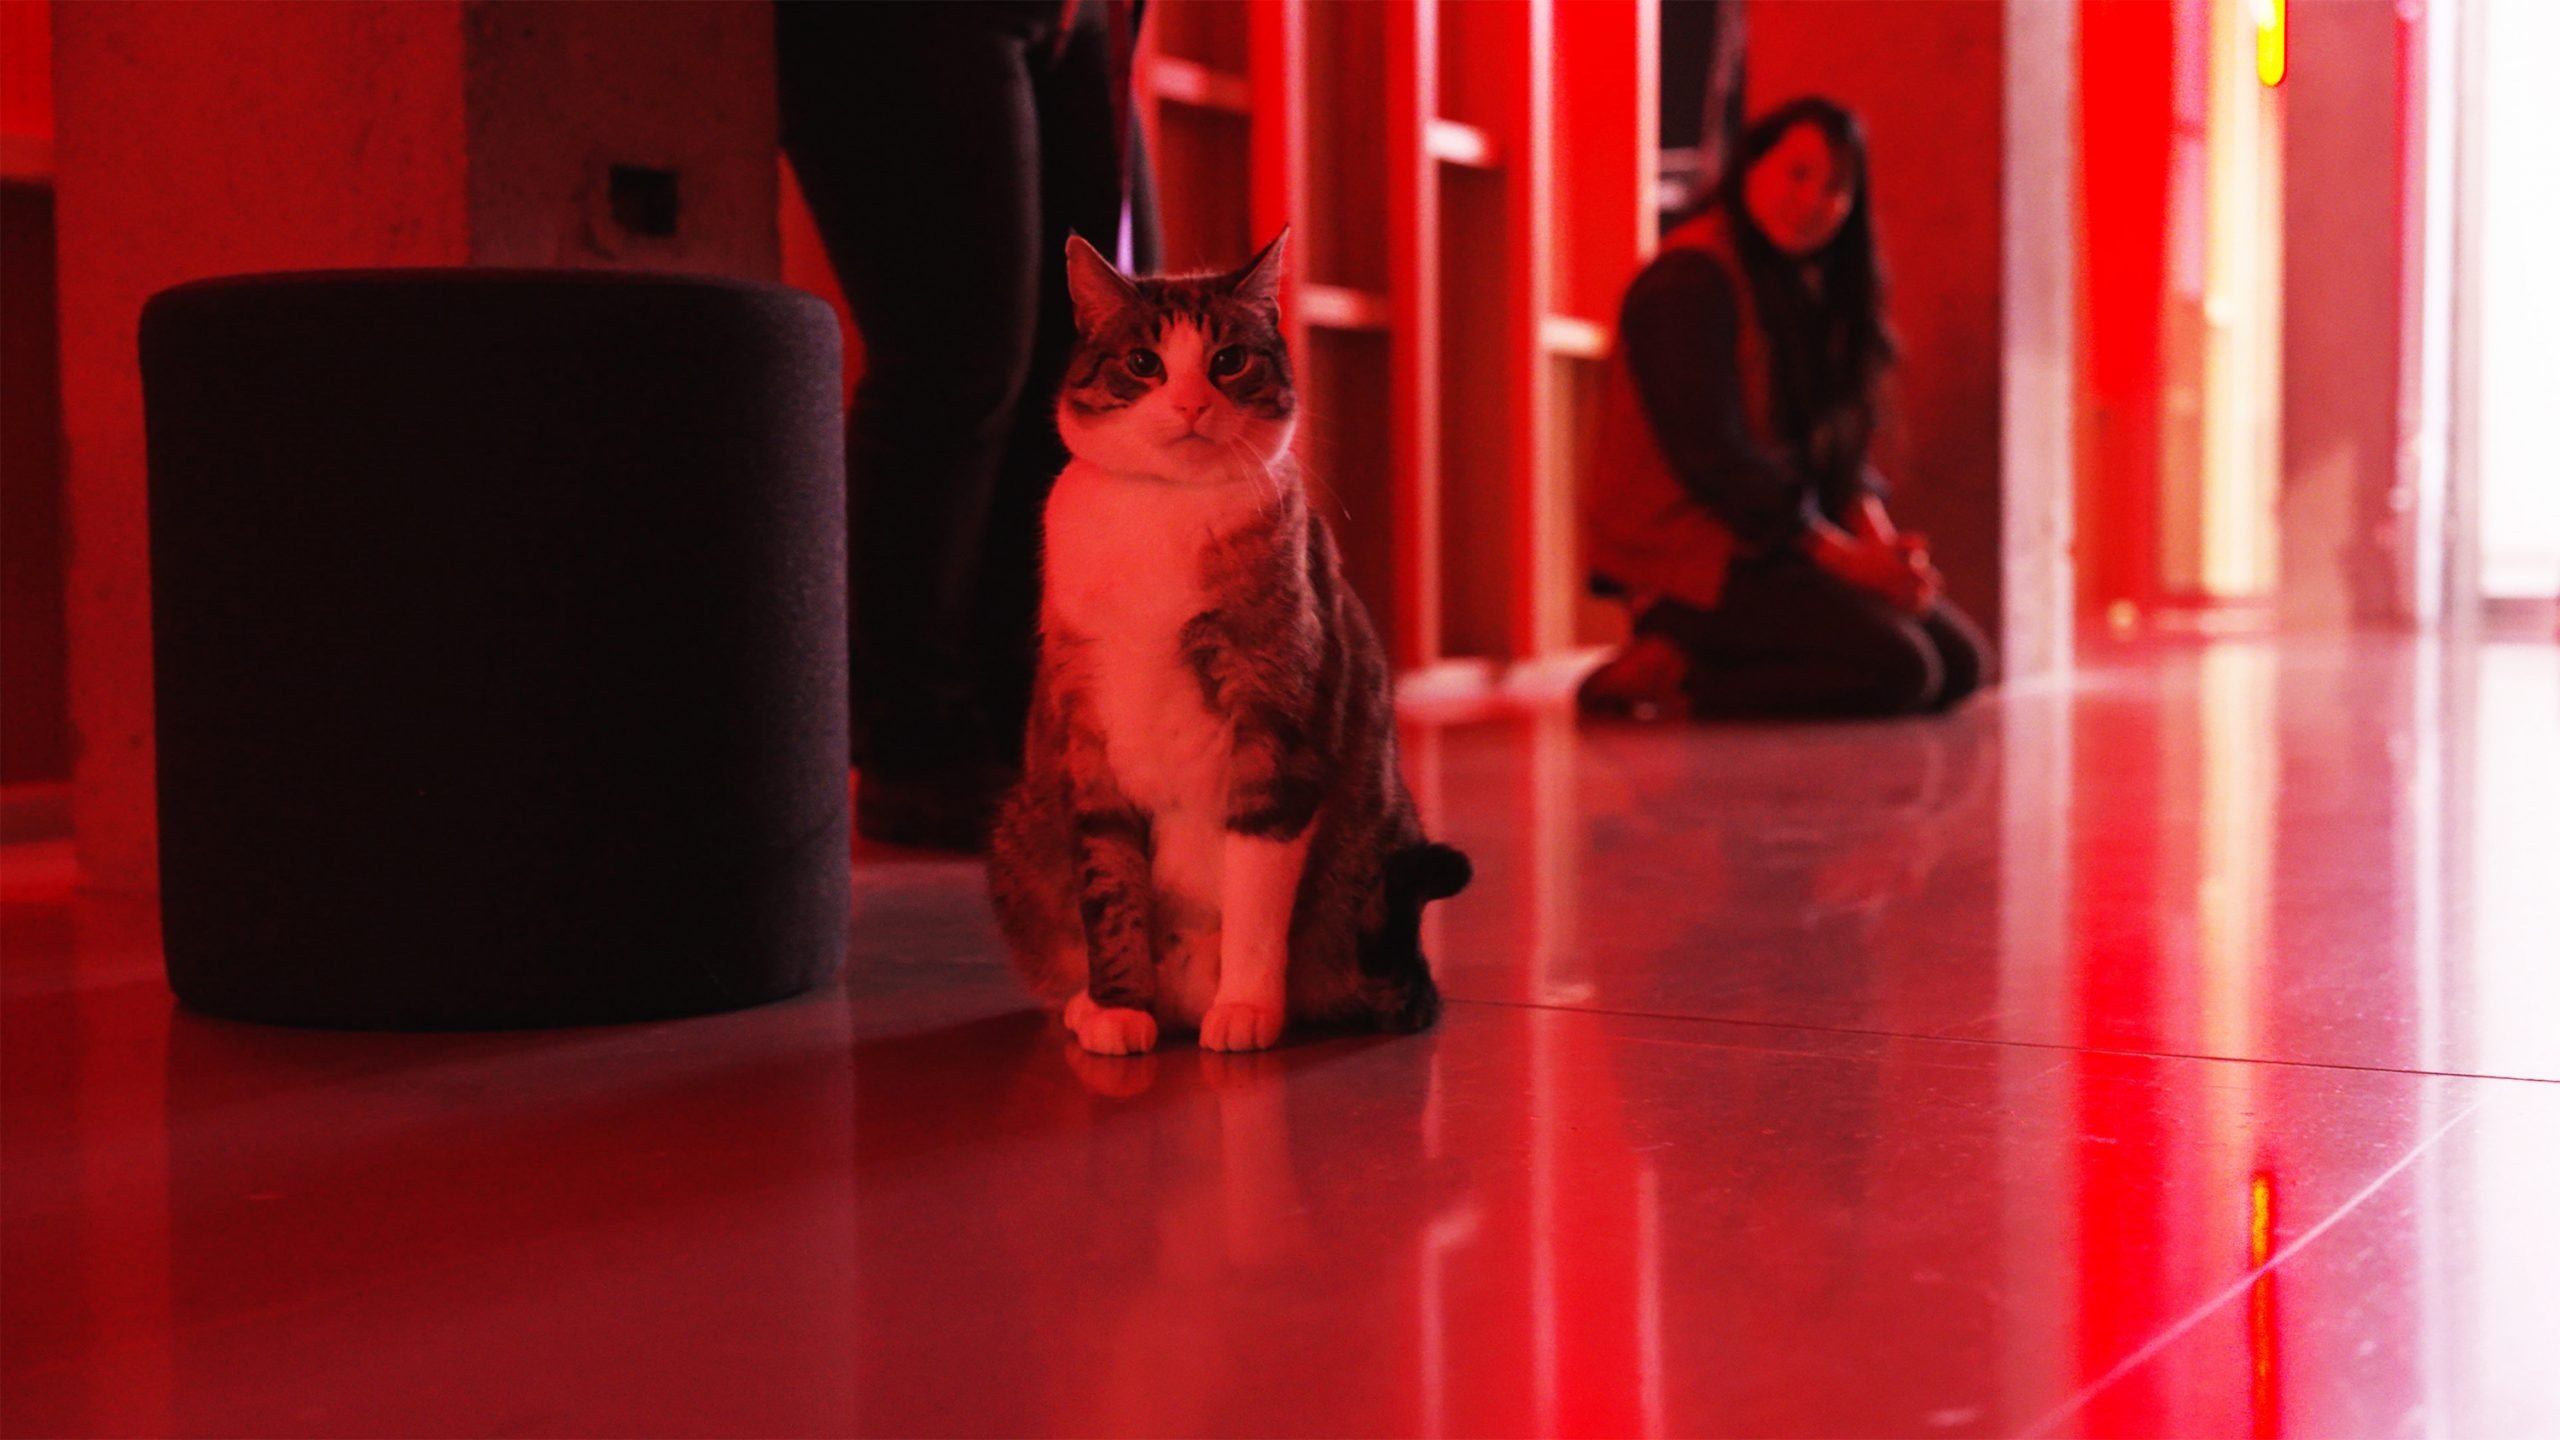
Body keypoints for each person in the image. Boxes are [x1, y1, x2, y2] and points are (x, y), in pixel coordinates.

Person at [775, 1, 1157, 849]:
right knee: (957, 363)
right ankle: (917, 743)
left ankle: (1021, 729)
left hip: (1082, 18)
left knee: (1086, 364)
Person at [1580, 96, 1991, 719]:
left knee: (1961, 666)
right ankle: (1680, 671)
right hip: (1689, 557)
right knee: (1902, 670)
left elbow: (1832, 443)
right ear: (1750, 167)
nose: (1814, 202)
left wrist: (1881, 553)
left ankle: (1698, 657)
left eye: (1836, 188)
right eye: (1797, 174)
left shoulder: (1795, 284)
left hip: (1773, 544)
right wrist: (1848, 562)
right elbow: (1716, 463)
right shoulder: (1687, 281)